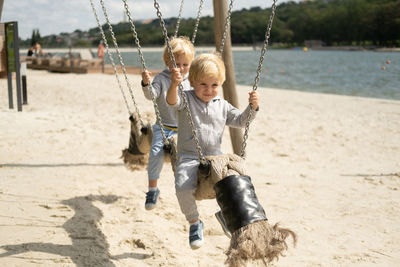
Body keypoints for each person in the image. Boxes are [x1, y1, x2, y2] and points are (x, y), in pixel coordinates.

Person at [166, 53, 259, 249]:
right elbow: (172, 102)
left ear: (221, 84)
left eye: (214, 85)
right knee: (182, 187)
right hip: (189, 157)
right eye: (203, 85)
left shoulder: (223, 106)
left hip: (216, 157)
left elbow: (242, 121)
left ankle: (229, 216)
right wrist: (174, 84)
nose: (209, 90)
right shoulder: (186, 99)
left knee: (235, 182)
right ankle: (194, 222)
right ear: (192, 82)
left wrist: (253, 107)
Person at [141, 36, 195, 211]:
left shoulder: (192, 80)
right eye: (176, 64)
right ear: (167, 62)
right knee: (155, 153)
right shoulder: (161, 79)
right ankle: (152, 189)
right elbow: (151, 95)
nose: (181, 68)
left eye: (185, 64)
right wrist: (146, 83)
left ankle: (192, 188)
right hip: (164, 128)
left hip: (185, 128)